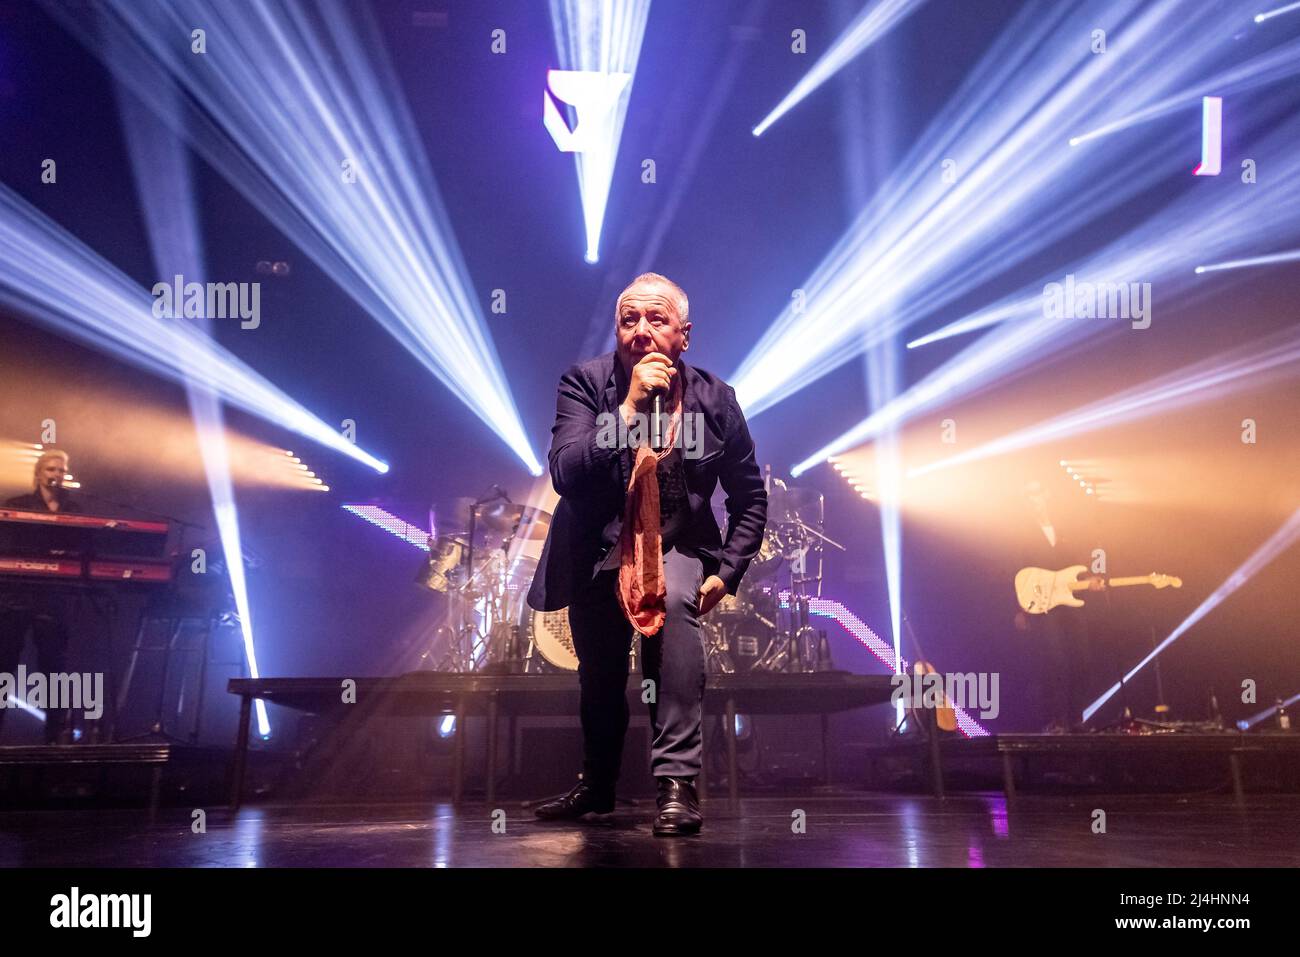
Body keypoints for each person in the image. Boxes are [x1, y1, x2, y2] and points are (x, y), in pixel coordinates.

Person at [527, 273, 767, 835]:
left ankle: (677, 787)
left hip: (676, 541)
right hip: (598, 546)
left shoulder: (714, 399)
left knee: (676, 617)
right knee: (600, 674)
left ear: (684, 335)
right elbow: (566, 472)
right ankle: (598, 785)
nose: (640, 331)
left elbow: (751, 497)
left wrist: (728, 571)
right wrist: (630, 407)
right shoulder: (584, 383)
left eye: (656, 320)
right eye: (628, 320)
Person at [0, 449, 81, 742]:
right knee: (5, 662)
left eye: (61, 470)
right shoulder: (16, 504)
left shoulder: (74, 510)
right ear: (38, 473)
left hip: (54, 595)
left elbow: (80, 549)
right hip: (17, 594)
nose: (56, 475)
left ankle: (54, 733)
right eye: (51, 469)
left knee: (53, 664)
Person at [1013, 479, 1102, 732]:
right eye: (1027, 496)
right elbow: (1016, 570)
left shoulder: (1065, 528)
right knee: (1055, 659)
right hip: (1041, 603)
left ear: (1047, 494)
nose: (1033, 500)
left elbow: (1079, 560)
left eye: (1036, 493)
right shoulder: (1020, 531)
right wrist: (1019, 608)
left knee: (1081, 658)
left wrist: (1090, 580)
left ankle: (1076, 718)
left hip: (1069, 599)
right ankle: (1055, 720)